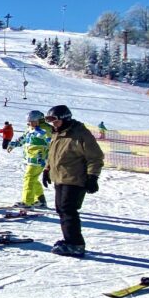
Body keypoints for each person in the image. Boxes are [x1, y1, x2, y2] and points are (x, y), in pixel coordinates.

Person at [42, 104, 104, 257]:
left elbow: (95, 157)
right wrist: (47, 169)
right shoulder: (58, 133)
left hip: (75, 178)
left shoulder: (80, 134)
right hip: (60, 177)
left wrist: (93, 177)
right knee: (61, 209)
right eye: (51, 122)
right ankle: (69, 240)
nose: (53, 124)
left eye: (55, 121)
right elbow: (53, 154)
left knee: (68, 210)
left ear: (65, 119)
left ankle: (76, 244)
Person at [7, 110, 52, 208]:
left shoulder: (46, 130)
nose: (29, 123)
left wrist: (50, 159)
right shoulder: (30, 128)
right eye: (28, 121)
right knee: (33, 178)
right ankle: (40, 200)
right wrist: (13, 144)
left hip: (39, 158)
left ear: (39, 120)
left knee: (29, 178)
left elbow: (53, 144)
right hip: (30, 158)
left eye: (32, 121)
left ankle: (27, 202)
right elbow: (24, 138)